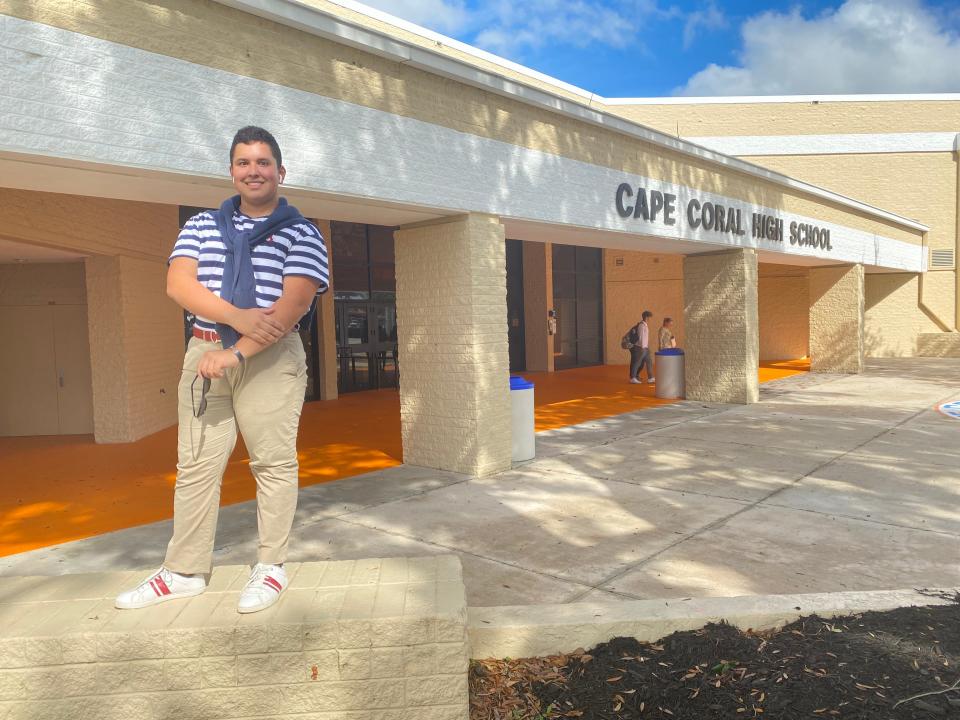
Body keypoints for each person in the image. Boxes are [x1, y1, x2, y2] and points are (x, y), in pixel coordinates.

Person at [115, 126, 329, 614]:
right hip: (204, 353)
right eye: (243, 162)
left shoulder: (302, 233)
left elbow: (291, 306)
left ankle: (271, 566)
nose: (253, 170)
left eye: (263, 162)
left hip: (270, 359)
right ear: (232, 171)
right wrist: (233, 319)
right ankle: (185, 571)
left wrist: (236, 351)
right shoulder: (199, 226)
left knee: (272, 463)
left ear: (280, 171)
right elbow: (178, 283)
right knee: (195, 466)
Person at [629, 310, 655, 385]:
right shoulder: (641, 325)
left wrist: (646, 347)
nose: (650, 319)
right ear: (646, 317)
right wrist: (643, 347)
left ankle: (650, 378)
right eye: (650, 317)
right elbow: (641, 337)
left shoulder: (645, 325)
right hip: (640, 348)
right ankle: (633, 378)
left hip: (645, 348)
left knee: (649, 361)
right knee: (637, 362)